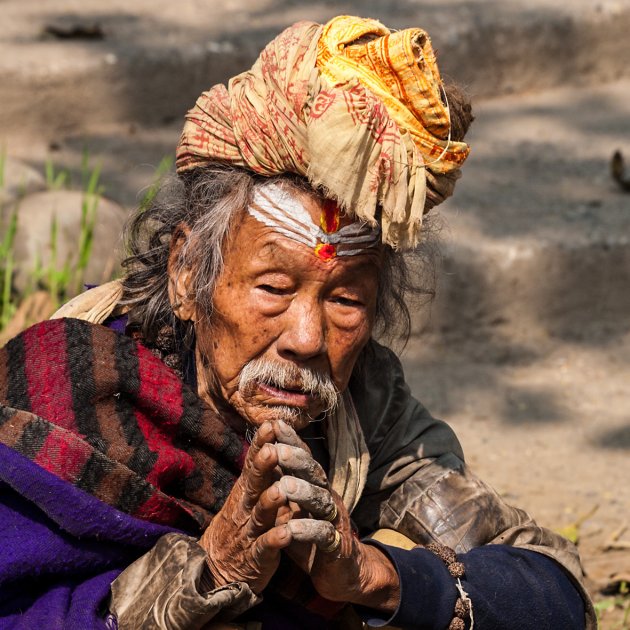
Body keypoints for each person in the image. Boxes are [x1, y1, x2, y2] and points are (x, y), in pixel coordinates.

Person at [0, 15, 594, 630]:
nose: (308, 338)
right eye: (273, 288)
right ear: (186, 274)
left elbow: (554, 595)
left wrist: (376, 576)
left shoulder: (364, 405)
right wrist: (207, 573)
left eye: (346, 301)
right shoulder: (70, 386)